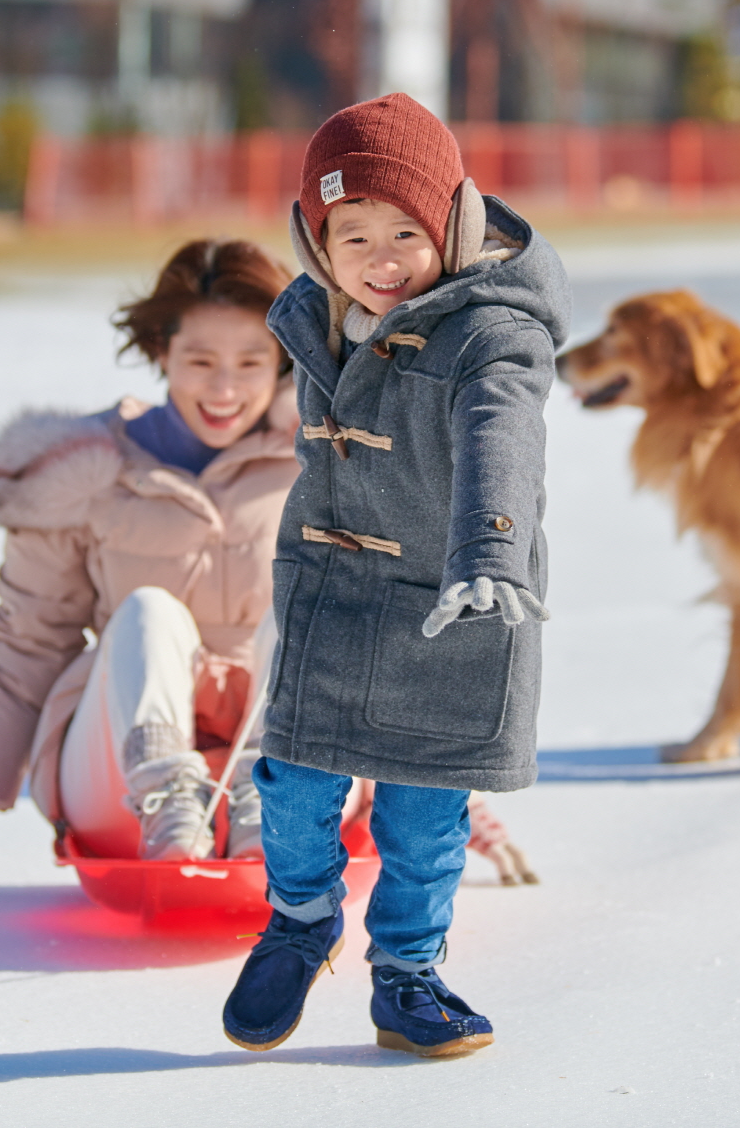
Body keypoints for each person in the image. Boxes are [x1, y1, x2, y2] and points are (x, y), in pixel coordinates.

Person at [219, 93, 569, 1058]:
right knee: (291, 780)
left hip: (454, 603)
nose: (381, 258)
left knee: (424, 812)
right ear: (315, 241)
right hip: (333, 594)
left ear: (452, 226)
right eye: (353, 234)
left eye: (406, 232)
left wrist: (491, 548)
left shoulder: (494, 332)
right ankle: (300, 918)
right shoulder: (317, 318)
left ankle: (408, 974)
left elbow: (504, 435)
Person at [0, 239, 300, 895]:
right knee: (149, 612)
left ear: (282, 362)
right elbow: (29, 641)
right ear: (160, 352)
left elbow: (378, 636)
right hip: (120, 776)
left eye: (251, 362)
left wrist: (435, 794)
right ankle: (169, 794)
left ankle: (275, 799)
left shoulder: (318, 461)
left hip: (289, 769)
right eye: (200, 360)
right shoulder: (89, 473)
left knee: (316, 604)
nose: (225, 388)